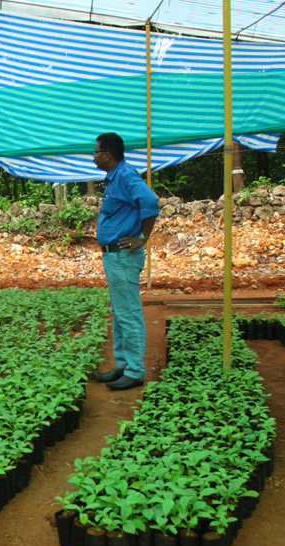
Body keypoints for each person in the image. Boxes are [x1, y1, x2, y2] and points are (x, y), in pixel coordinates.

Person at [90, 132, 159, 391]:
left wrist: (143, 237)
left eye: (96, 151)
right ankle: (122, 364)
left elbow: (150, 201)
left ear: (107, 155)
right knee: (119, 312)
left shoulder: (126, 175)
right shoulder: (115, 178)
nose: (93, 156)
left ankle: (134, 371)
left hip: (122, 257)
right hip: (114, 256)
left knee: (128, 313)